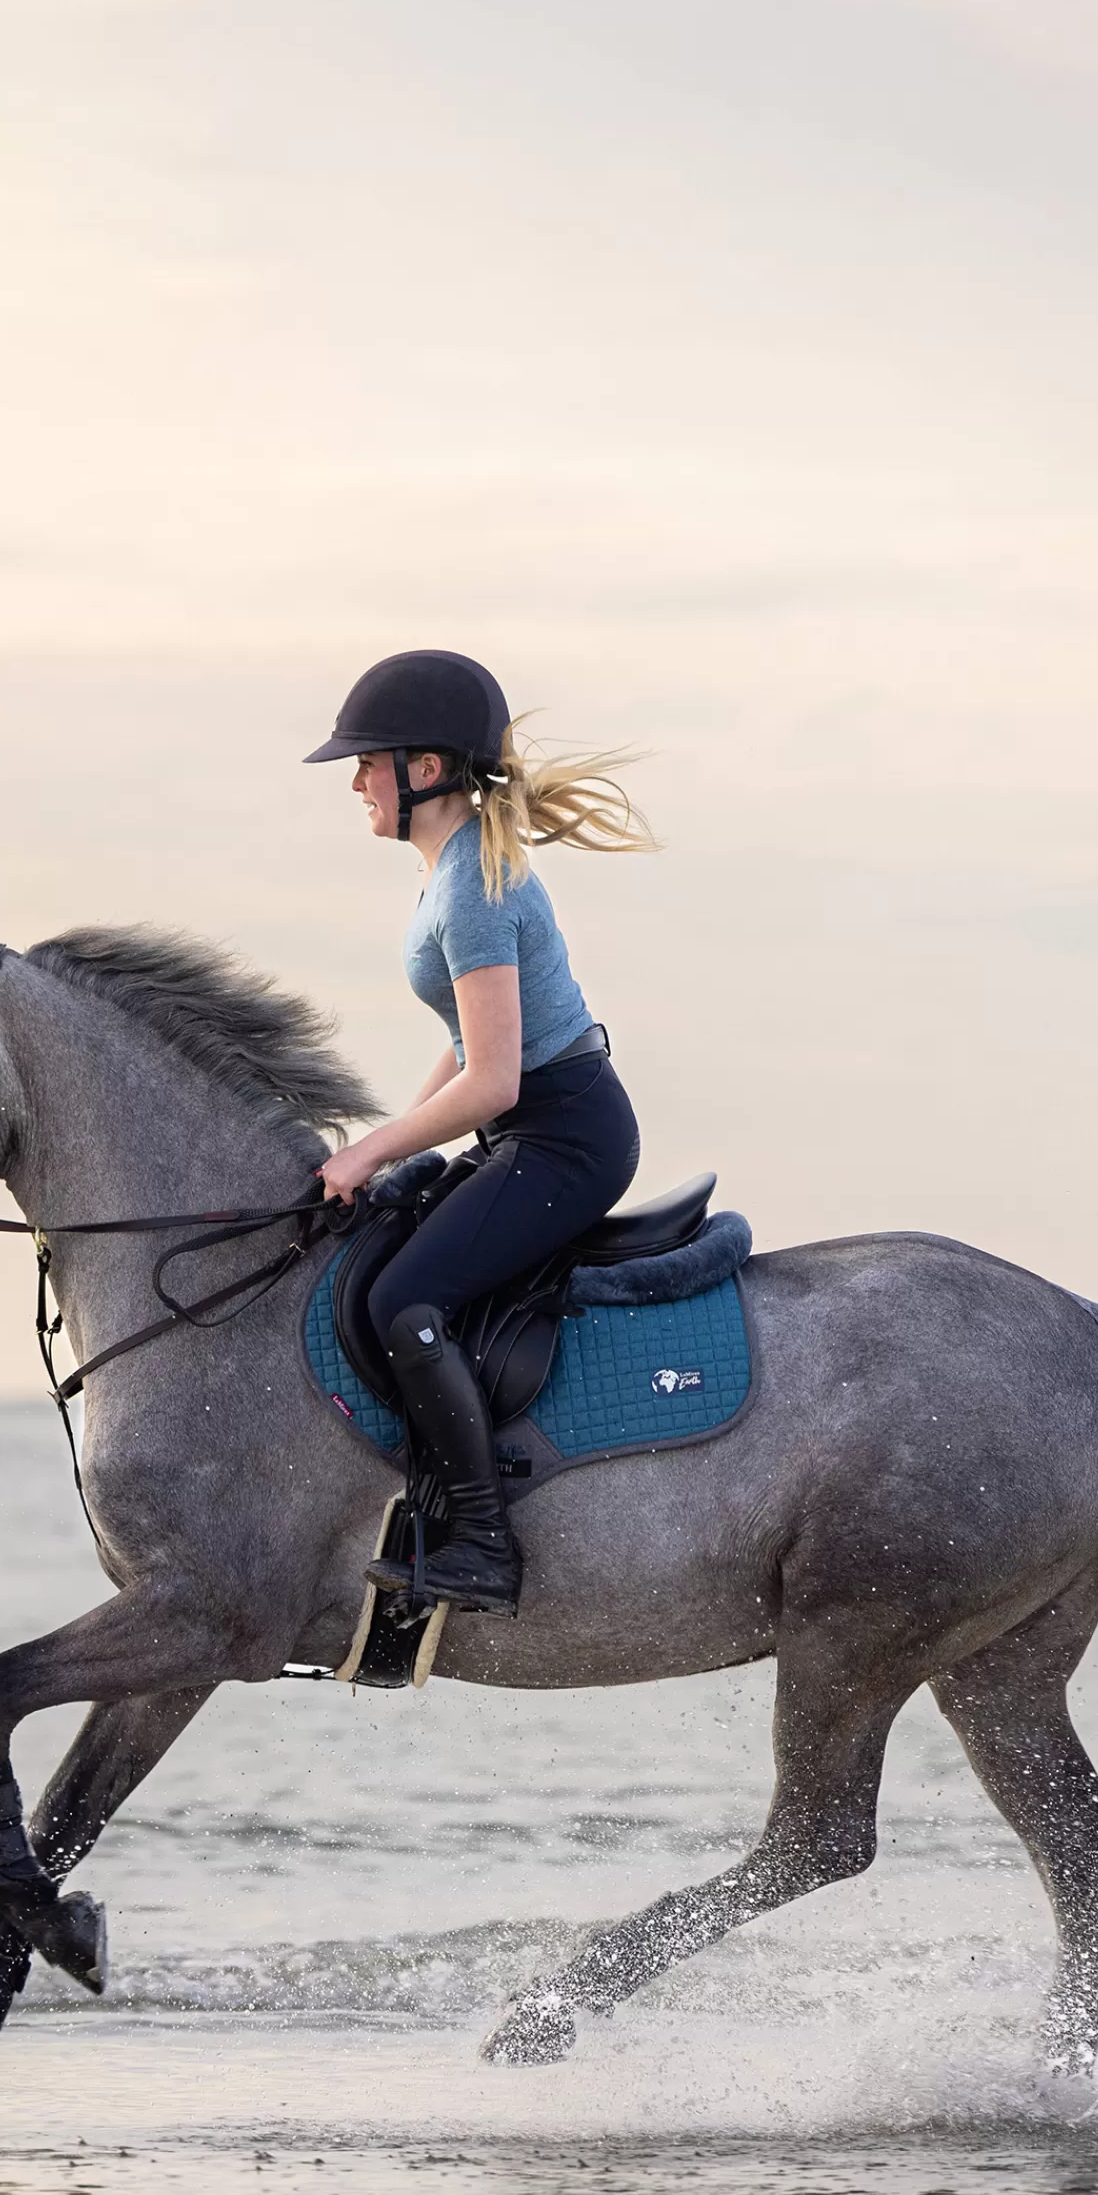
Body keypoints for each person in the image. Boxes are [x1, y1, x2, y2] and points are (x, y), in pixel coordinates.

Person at [305, 649, 653, 1616]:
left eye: (367, 761)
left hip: (564, 1136)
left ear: (425, 770)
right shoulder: (455, 875)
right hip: (528, 1125)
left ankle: (485, 1547)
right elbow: (469, 1048)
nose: (355, 782)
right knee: (377, 1271)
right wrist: (392, 1146)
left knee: (408, 1298)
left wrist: (374, 1149)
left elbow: (496, 1080)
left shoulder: (475, 889)